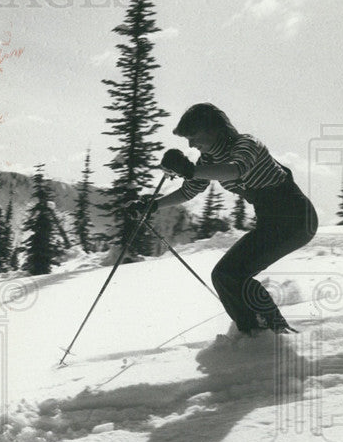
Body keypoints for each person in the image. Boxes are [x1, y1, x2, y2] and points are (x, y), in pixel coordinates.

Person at [130, 103, 318, 336]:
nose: (190, 144)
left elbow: (235, 170)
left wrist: (189, 170)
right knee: (225, 275)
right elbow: (189, 190)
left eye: (194, 136)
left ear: (214, 130)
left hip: (296, 217)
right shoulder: (206, 162)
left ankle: (267, 331)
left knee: (232, 273)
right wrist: (153, 205)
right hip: (272, 221)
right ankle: (259, 331)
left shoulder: (247, 145)